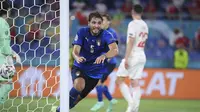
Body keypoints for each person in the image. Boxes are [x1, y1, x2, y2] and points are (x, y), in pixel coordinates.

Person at [56, 11, 118, 111]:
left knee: (77, 99)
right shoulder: (82, 32)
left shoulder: (107, 34)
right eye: (94, 22)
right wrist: (77, 57)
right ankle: (61, 110)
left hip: (95, 73)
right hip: (80, 67)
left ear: (101, 24)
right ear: (88, 23)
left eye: (99, 23)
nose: (96, 25)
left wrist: (105, 56)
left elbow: (115, 50)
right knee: (79, 85)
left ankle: (62, 109)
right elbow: (75, 50)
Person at [115, 4, 148, 112]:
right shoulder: (145, 25)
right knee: (135, 82)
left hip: (133, 55)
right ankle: (135, 108)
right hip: (141, 55)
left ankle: (131, 104)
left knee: (119, 80)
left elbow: (132, 40)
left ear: (132, 12)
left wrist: (126, 57)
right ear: (141, 13)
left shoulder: (133, 24)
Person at [90, 13, 118, 112]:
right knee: (100, 83)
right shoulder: (100, 33)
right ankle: (111, 100)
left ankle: (100, 102)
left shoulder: (111, 32)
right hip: (103, 61)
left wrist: (105, 61)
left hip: (109, 62)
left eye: (104, 21)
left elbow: (113, 49)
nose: (102, 23)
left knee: (97, 82)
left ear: (109, 22)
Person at [0, 1, 21, 104]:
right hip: (1, 58)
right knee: (7, 83)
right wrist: (12, 55)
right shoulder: (3, 23)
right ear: (7, 11)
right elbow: (4, 46)